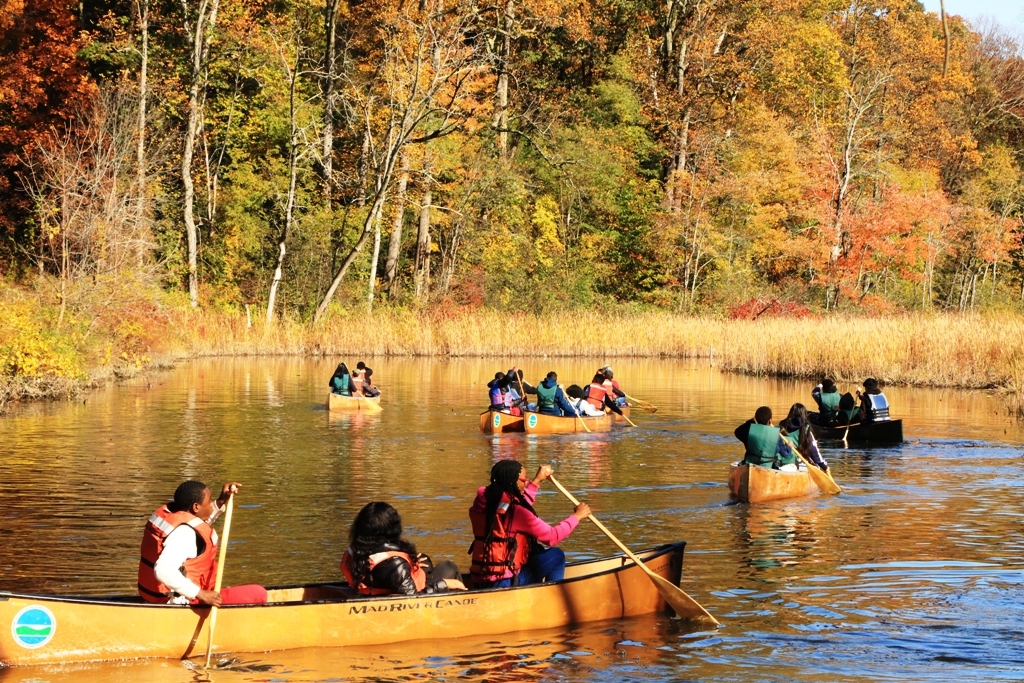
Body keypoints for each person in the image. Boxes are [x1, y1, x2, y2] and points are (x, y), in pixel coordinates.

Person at [138, 480, 267, 605]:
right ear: (196, 507)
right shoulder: (185, 534)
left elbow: (196, 526)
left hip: (156, 598)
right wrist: (200, 593)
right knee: (259, 593)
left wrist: (222, 500)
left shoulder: (180, 518)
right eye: (209, 501)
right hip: (181, 600)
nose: (211, 504)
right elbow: (162, 570)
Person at [469, 460, 591, 588]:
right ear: (513, 482)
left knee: (537, 550)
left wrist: (537, 480)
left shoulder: (483, 503)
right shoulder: (516, 512)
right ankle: (551, 596)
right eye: (524, 480)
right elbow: (552, 537)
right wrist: (577, 516)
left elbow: (519, 508)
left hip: (479, 579)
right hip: (507, 582)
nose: (526, 482)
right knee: (557, 555)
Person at [340, 502, 464, 595]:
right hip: (409, 605)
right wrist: (444, 583)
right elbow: (413, 601)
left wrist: (410, 564)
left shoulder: (359, 551)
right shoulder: (394, 564)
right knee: (448, 567)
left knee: (424, 559)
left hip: (384, 590)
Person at [779, 403, 828, 472]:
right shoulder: (805, 429)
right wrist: (824, 466)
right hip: (792, 462)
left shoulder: (781, 425)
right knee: (815, 466)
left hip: (779, 460)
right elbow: (813, 451)